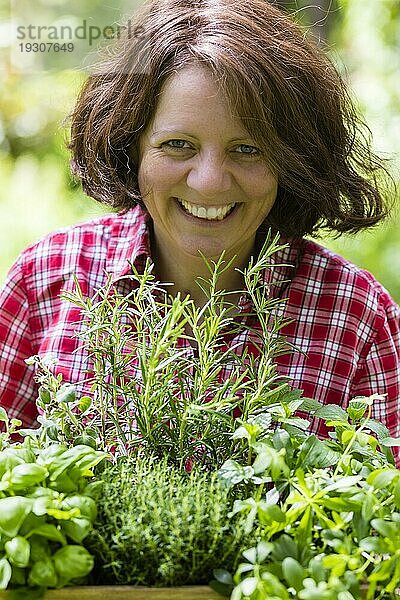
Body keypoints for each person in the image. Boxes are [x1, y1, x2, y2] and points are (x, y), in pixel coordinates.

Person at [0, 0, 399, 458]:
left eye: (247, 149)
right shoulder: (44, 280)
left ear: (292, 161)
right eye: (177, 145)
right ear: (131, 147)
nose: (208, 180)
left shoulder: (357, 317)